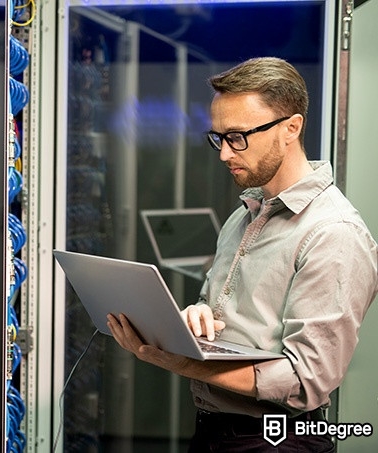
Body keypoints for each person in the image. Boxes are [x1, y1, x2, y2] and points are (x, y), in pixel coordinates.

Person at [107, 56, 378, 452]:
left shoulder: (334, 233)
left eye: (238, 137)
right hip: (216, 430)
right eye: (218, 137)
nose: (224, 154)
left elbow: (306, 380)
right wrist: (196, 318)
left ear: (291, 128)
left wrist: (179, 361)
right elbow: (221, 312)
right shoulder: (245, 213)